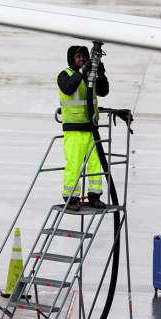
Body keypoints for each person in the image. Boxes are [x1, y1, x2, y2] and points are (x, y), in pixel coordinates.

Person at [57, 45, 109, 211]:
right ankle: (70, 197)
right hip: (74, 130)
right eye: (78, 57)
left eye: (84, 57)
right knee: (74, 164)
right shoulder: (65, 75)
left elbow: (103, 91)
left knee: (96, 163)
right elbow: (68, 88)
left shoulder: (90, 76)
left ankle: (94, 196)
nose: (81, 60)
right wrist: (82, 72)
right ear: (72, 59)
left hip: (91, 128)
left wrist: (100, 74)